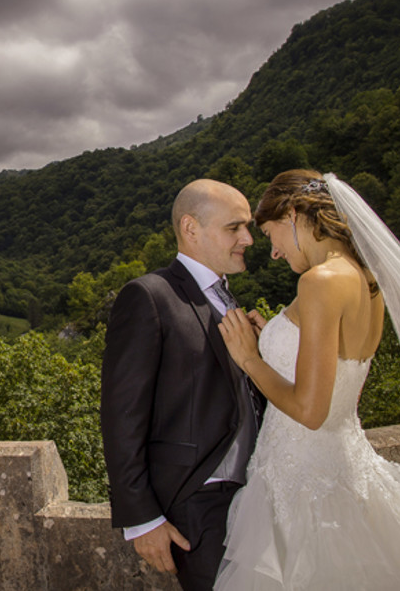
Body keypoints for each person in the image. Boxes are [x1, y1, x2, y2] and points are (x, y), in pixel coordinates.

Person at [215, 169, 400, 590]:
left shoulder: (319, 282)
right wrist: (273, 338)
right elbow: (340, 370)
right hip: (345, 469)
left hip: (308, 489)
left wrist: (251, 359)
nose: (272, 252)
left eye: (271, 234)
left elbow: (311, 411)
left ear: (293, 215)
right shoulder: (367, 280)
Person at [101, 179, 266, 591]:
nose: (248, 238)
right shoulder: (149, 296)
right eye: (235, 228)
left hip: (256, 496)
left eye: (248, 227)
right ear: (191, 229)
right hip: (197, 504)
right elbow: (122, 414)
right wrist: (143, 519)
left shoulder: (227, 297)